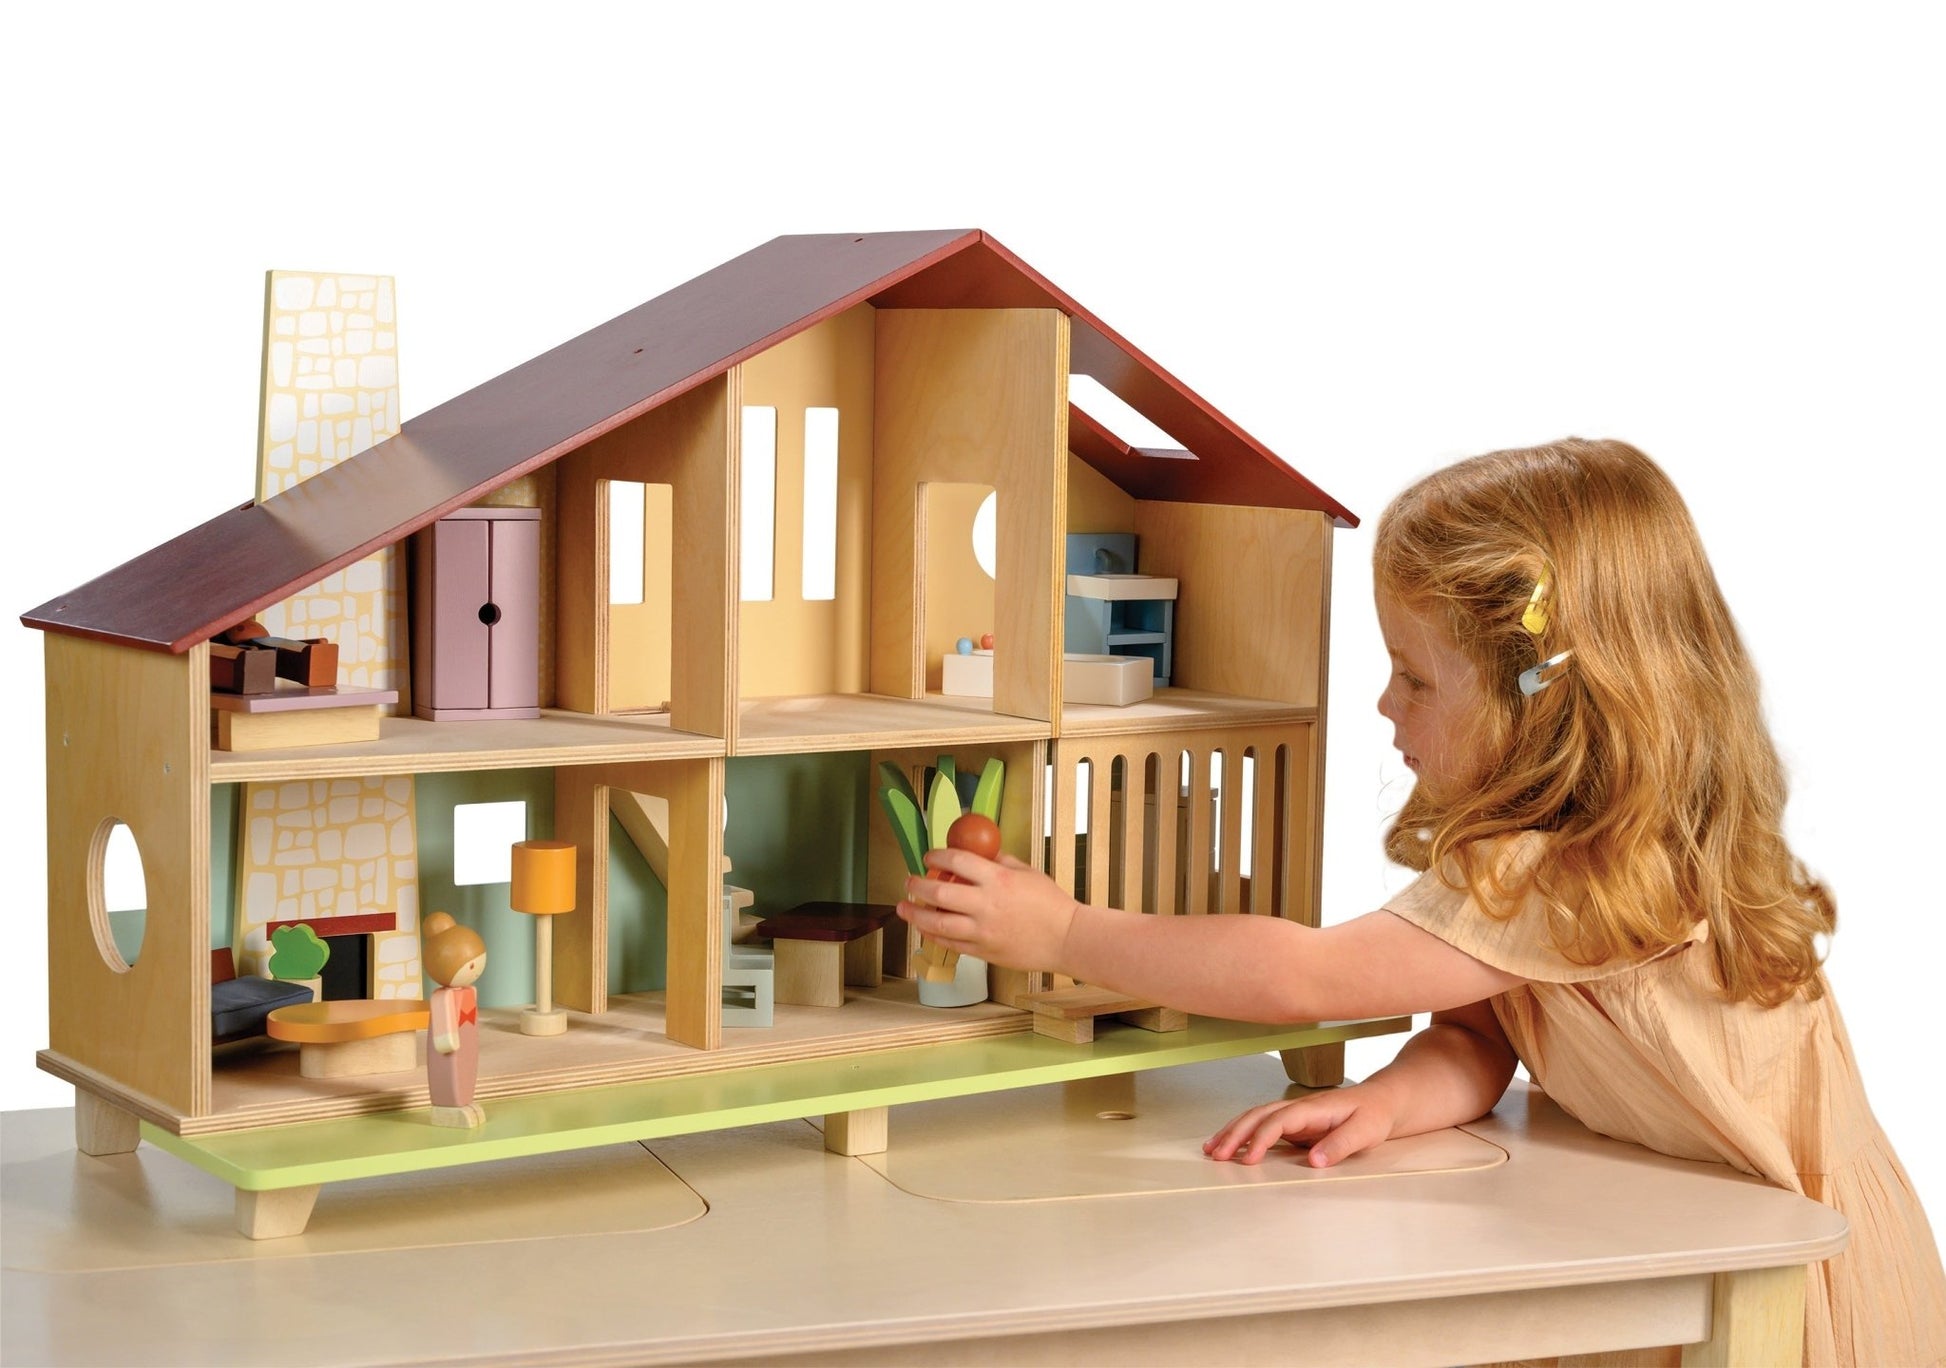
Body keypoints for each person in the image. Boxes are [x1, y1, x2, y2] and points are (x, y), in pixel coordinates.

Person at [898, 438, 1945, 1366]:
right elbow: (1481, 1034)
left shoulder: (1589, 870)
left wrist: (1066, 930)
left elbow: (1304, 976)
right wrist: (1397, 1096)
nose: (1381, 704)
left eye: (1413, 678)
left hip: (1785, 1265)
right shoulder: (1548, 862)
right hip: (1662, 1227)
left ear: (1545, 713)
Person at [423, 911, 488, 1129]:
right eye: (471, 966)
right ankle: (449, 1107)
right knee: (452, 1073)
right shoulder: (443, 997)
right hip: (452, 1048)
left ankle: (466, 1101)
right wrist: (449, 1038)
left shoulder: (469, 991)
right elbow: (443, 1038)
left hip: (467, 1043)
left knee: (467, 1070)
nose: (476, 971)